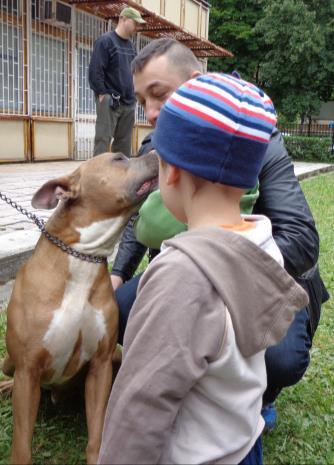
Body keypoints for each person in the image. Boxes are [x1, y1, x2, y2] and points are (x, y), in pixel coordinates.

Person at [111, 39, 329, 428]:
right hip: (183, 270)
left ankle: (258, 398)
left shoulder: (255, 139)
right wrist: (117, 274)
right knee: (117, 311)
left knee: (280, 357)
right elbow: (139, 218)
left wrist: (213, 269)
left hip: (261, 278)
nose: (151, 113)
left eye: (158, 95)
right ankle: (185, 381)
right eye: (142, 100)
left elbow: (301, 238)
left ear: (197, 83)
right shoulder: (157, 144)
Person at [88, 7, 146, 157]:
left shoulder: (131, 47)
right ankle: (97, 176)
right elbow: (95, 70)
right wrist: (102, 93)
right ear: (123, 19)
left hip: (128, 102)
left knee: (124, 145)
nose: (137, 28)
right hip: (109, 100)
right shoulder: (105, 41)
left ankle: (120, 178)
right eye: (135, 23)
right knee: (103, 140)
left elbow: (134, 74)